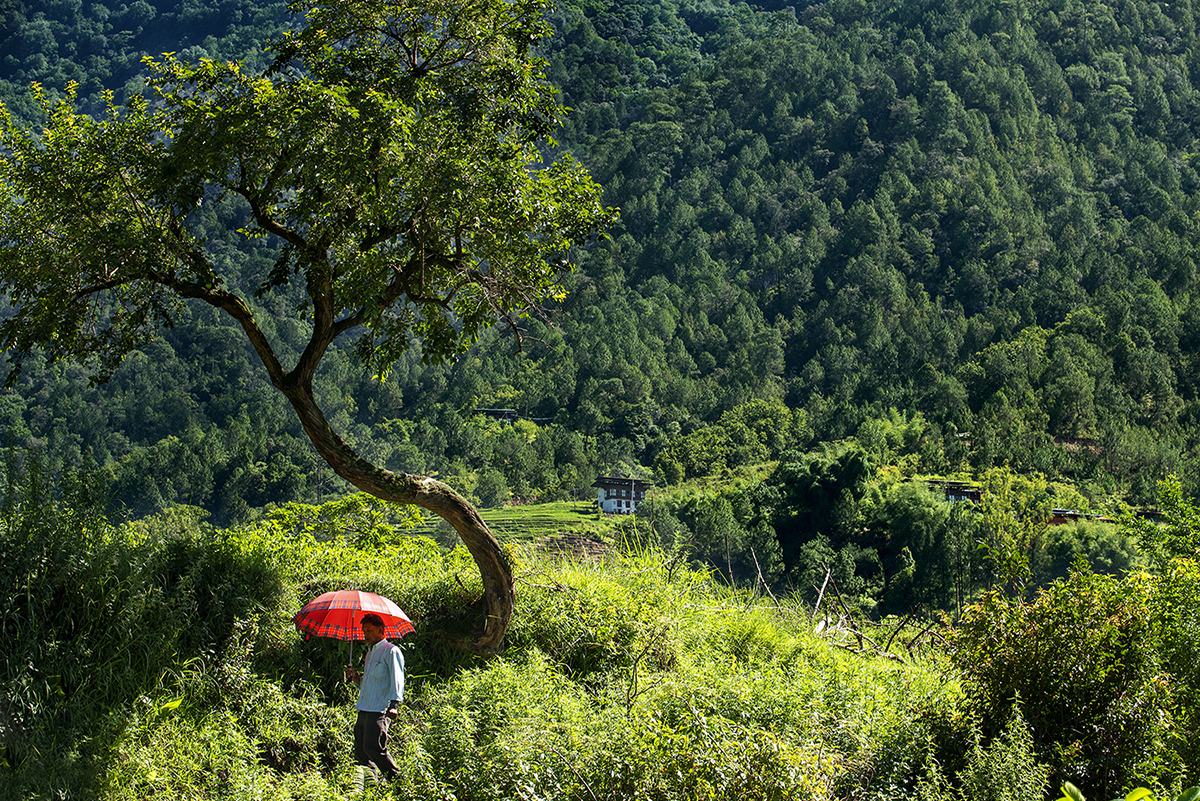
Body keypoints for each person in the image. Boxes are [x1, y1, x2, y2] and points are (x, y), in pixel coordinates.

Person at [345, 612, 404, 785]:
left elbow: (397, 679)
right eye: (364, 631)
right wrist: (356, 678)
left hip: (379, 709)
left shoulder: (391, 651)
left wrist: (394, 704)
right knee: (361, 750)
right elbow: (368, 684)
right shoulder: (369, 654)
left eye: (369, 630)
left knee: (374, 748)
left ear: (381, 630)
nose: (366, 634)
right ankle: (370, 786)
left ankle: (399, 782)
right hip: (365, 707)